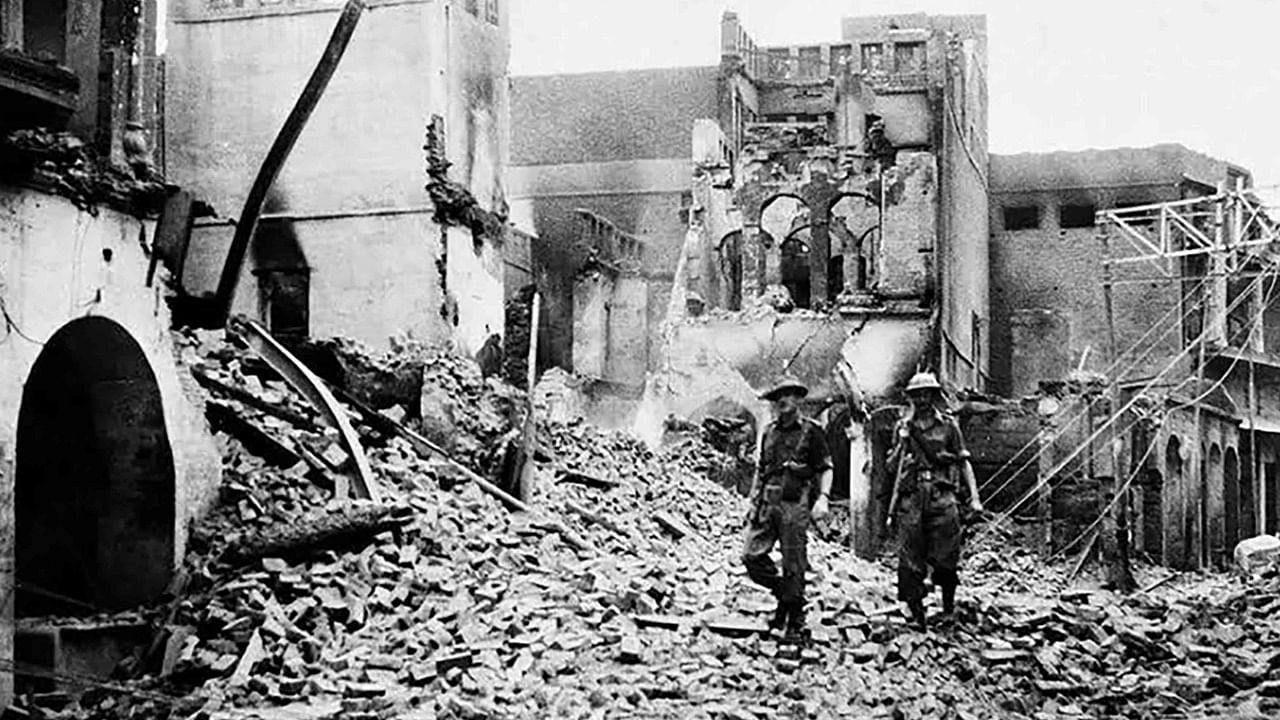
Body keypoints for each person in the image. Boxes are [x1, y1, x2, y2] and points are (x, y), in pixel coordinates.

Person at [886, 372, 984, 630]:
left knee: (947, 555)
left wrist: (974, 498)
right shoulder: (902, 427)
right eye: (916, 394)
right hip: (912, 497)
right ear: (910, 397)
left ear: (933, 395)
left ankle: (948, 610)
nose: (921, 398)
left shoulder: (949, 425)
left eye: (925, 393)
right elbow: (890, 467)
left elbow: (964, 462)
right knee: (910, 557)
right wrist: (902, 444)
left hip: (942, 494)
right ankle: (918, 616)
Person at [742, 377, 833, 642]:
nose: (782, 400)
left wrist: (823, 498)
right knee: (751, 556)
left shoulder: (812, 431)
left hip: (795, 502)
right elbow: (761, 471)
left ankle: (794, 619)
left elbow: (825, 467)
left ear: (798, 398)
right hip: (767, 502)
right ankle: (787, 595)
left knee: (794, 562)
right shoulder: (769, 432)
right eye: (777, 396)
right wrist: (752, 502)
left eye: (788, 395)